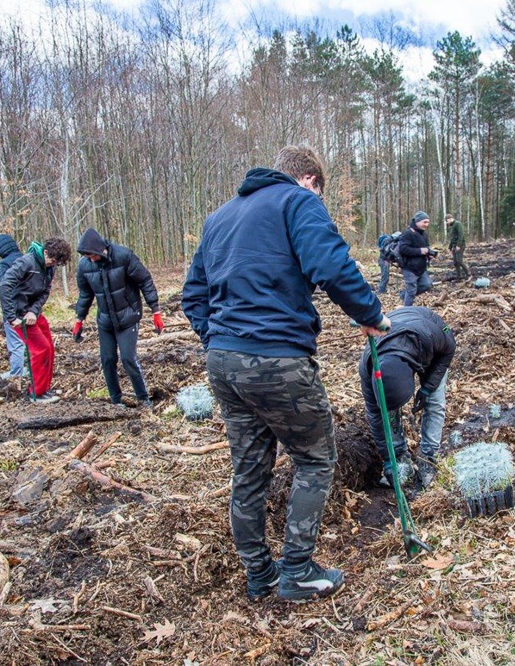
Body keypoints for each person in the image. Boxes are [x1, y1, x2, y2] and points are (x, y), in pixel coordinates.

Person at [181, 145, 389, 603]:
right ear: (311, 179)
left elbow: (193, 296)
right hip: (277, 360)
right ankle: (297, 570)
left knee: (249, 470)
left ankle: (260, 575)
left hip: (223, 363)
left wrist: (218, 340)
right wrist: (370, 313)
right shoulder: (299, 201)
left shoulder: (219, 218)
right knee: (315, 458)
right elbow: (331, 265)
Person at [358, 306, 455, 490]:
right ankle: (400, 458)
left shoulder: (431, 336)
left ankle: (429, 457)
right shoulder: (368, 367)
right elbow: (376, 416)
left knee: (434, 403)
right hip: (393, 339)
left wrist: (428, 388)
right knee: (387, 409)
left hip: (428, 339)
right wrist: (388, 458)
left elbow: (449, 349)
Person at [73, 228, 163, 409]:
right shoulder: (85, 266)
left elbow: (145, 280)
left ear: (101, 249)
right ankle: (115, 400)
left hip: (128, 316)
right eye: (87, 256)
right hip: (105, 320)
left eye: (92, 255)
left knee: (128, 358)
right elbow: (85, 294)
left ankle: (143, 399)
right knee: (107, 360)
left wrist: (156, 310)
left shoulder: (123, 256)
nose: (91, 259)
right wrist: (79, 319)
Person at [0, 237, 72, 403]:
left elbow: (45, 292)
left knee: (49, 349)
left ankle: (44, 389)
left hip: (33, 313)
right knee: (40, 349)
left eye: (57, 263)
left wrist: (33, 311)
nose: (53, 264)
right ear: (45, 252)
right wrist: (12, 317)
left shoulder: (49, 268)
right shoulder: (26, 262)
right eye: (52, 260)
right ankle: (35, 393)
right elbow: (4, 286)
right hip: (19, 315)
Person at [0, 234, 25, 379]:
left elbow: (4, 288)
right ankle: (30, 370)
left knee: (15, 343)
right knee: (29, 342)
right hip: (28, 309)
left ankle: (17, 373)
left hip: (13, 309)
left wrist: (9, 315)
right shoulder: (26, 258)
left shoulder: (5, 264)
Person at [397, 211, 434, 306]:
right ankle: (406, 313)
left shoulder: (424, 235)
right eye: (424, 222)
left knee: (427, 285)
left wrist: (429, 254)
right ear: (417, 221)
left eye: (428, 222)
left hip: (421, 267)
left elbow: (427, 247)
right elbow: (403, 249)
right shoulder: (408, 234)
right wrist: (420, 251)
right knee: (411, 291)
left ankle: (403, 295)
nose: (427, 224)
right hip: (409, 267)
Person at [446, 213, 470, 279]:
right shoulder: (451, 227)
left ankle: (468, 273)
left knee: (459, 261)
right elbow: (452, 238)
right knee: (455, 262)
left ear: (450, 219)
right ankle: (459, 276)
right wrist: (449, 247)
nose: (446, 222)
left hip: (460, 245)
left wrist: (458, 245)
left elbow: (461, 235)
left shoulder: (457, 224)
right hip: (454, 246)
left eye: (447, 220)